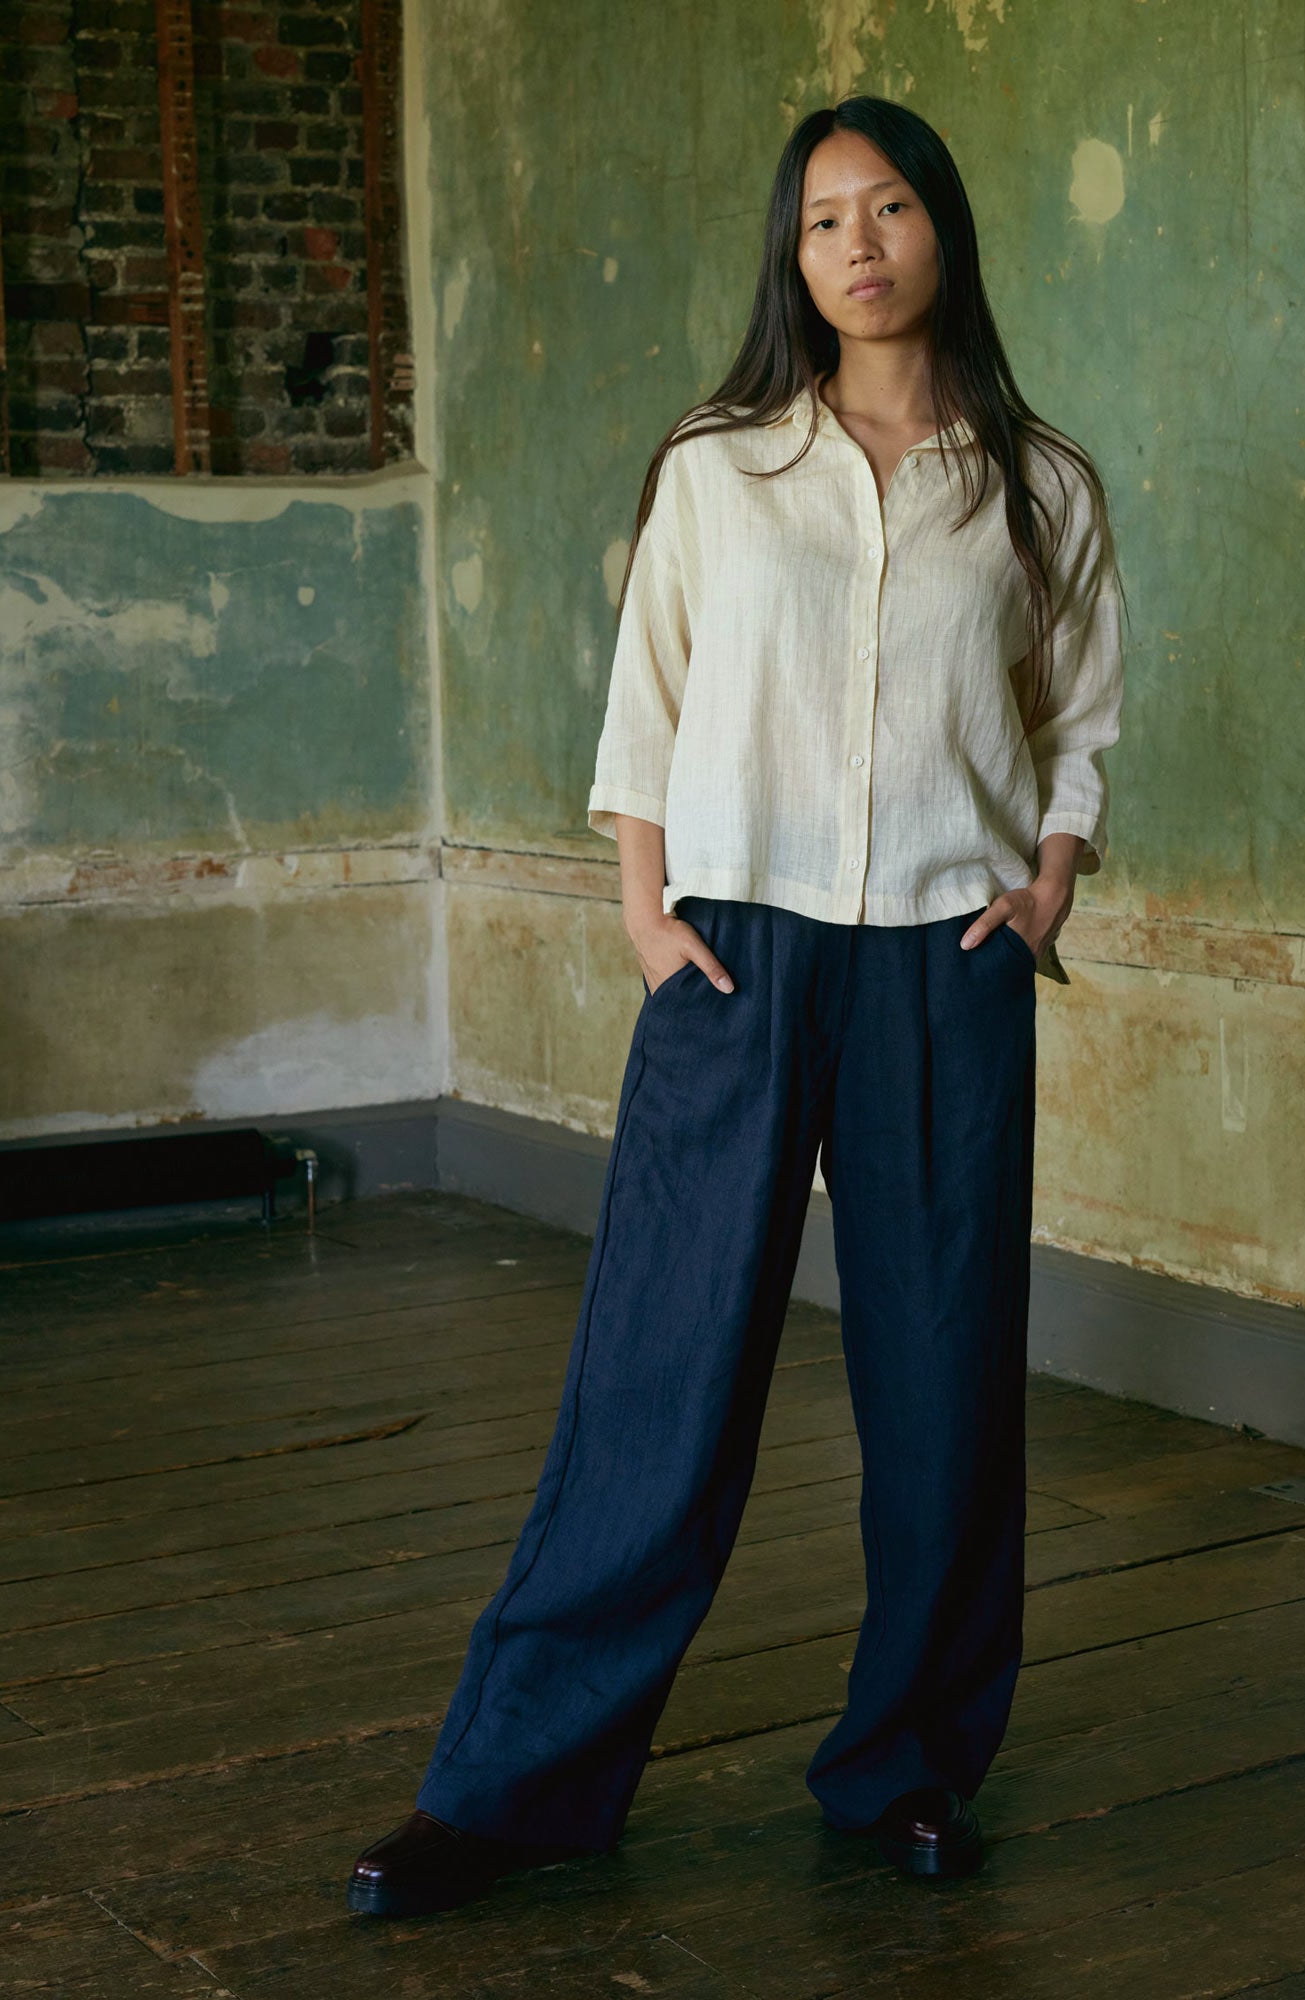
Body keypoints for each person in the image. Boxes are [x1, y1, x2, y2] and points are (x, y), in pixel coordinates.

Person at [348, 92, 1125, 1919]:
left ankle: (910, 1765)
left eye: (889, 207)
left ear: (943, 226)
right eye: (822, 220)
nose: (858, 243)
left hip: (950, 958)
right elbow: (651, 706)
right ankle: (518, 1783)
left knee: (943, 1387)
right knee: (661, 1376)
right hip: (737, 952)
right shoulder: (719, 466)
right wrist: (643, 913)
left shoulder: (1038, 483)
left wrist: (1048, 887)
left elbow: (1074, 716)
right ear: (794, 258)